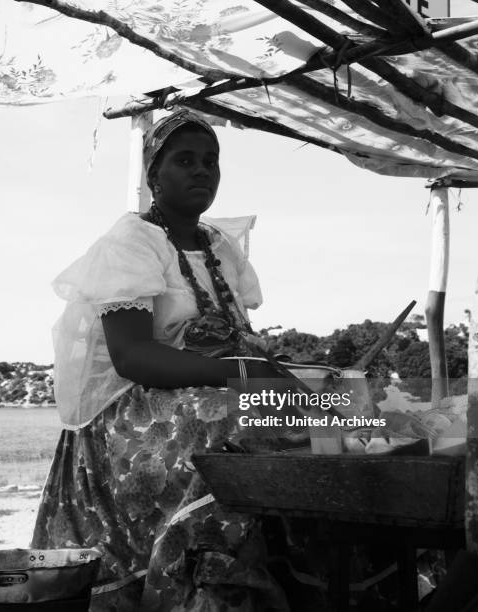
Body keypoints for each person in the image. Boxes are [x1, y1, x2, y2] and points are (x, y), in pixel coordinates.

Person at [31, 109, 315, 612]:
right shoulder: (132, 243)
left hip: (205, 388)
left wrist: (271, 367)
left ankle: (313, 569)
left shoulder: (222, 248)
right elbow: (133, 357)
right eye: (185, 160)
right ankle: (204, 579)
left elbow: (234, 341)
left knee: (325, 410)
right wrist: (244, 374)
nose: (203, 170)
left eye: (211, 161)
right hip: (133, 408)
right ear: (152, 176)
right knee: (234, 420)